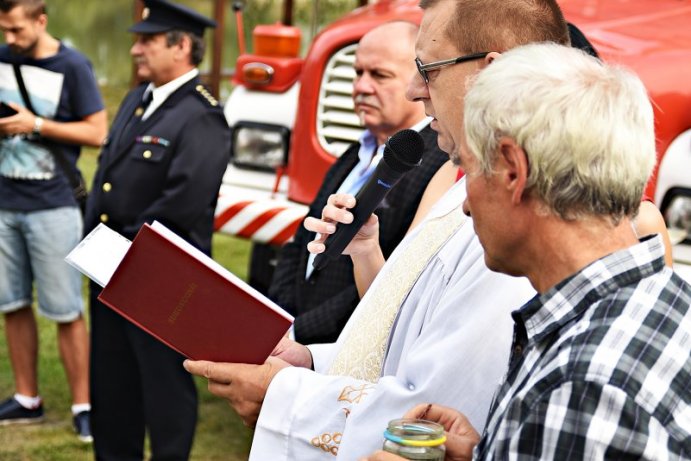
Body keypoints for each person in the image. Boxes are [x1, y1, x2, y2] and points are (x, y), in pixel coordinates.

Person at [183, 1, 570, 459]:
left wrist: (283, 393)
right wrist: (311, 360)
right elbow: (408, 338)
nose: (414, 91)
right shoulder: (465, 185)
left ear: (490, 73)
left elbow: (432, 414)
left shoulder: (517, 219)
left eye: (428, 70)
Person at [365, 42, 691, 461]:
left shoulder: (580, 389)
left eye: (471, 169)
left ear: (514, 171)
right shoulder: (662, 302)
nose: (466, 203)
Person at [83, 0, 231, 458]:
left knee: (164, 391)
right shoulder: (139, 97)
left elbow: (185, 200)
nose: (136, 51)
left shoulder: (202, 113)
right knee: (112, 385)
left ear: (182, 46)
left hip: (161, 277)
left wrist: (122, 248)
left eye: (148, 41)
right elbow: (109, 175)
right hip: (113, 269)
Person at [268, 21, 449, 345]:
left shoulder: (438, 164)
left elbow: (395, 277)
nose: (361, 87)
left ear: (420, 79)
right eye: (357, 73)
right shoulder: (354, 153)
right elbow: (301, 243)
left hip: (343, 347)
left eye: (379, 75)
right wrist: (278, 314)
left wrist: (299, 333)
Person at [0, 0, 106, 442]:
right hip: (4, 204)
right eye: (3, 31)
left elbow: (98, 131)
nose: (9, 40)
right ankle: (27, 399)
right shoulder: (4, 57)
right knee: (12, 305)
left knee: (66, 310)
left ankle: (84, 406)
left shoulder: (74, 65)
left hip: (55, 205)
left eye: (17, 30)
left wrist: (37, 123)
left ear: (41, 21)